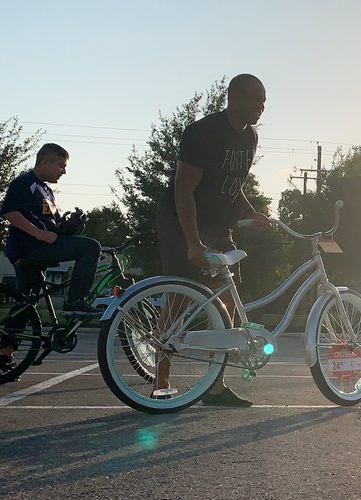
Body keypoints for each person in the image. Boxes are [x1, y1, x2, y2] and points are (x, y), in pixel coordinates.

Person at [153, 73, 272, 407]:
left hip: (219, 226)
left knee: (228, 301)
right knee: (181, 296)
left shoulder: (250, 137)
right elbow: (183, 190)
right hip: (182, 221)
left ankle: (215, 386)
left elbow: (234, 184)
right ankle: (161, 382)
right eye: (254, 98)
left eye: (264, 100)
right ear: (233, 97)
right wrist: (193, 244)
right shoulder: (203, 133)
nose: (261, 106)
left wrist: (252, 212)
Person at [0, 143, 102, 375]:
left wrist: (69, 226)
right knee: (91, 248)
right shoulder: (24, 183)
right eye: (61, 166)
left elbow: (53, 227)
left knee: (25, 302)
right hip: (29, 249)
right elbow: (10, 213)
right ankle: (74, 302)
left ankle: (4, 357)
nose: (63, 171)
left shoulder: (47, 191)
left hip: (38, 250)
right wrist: (40, 234)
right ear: (45, 162)